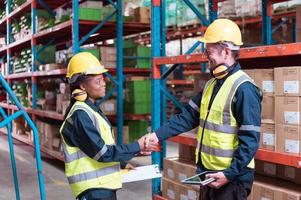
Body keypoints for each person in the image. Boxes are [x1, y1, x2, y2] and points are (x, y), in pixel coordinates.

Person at [145, 19, 262, 200]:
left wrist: (229, 174)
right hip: (209, 175)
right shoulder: (211, 85)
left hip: (231, 179)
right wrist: (156, 135)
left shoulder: (244, 88)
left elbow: (250, 141)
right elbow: (187, 117)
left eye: (209, 51)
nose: (205, 55)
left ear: (226, 51)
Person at [60, 52, 156, 200]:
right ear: (82, 85)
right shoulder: (80, 115)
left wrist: (124, 162)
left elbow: (99, 147)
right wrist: (137, 146)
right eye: (98, 81)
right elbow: (103, 153)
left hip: (101, 187)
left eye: (103, 79)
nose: (104, 83)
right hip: (93, 191)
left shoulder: (90, 109)